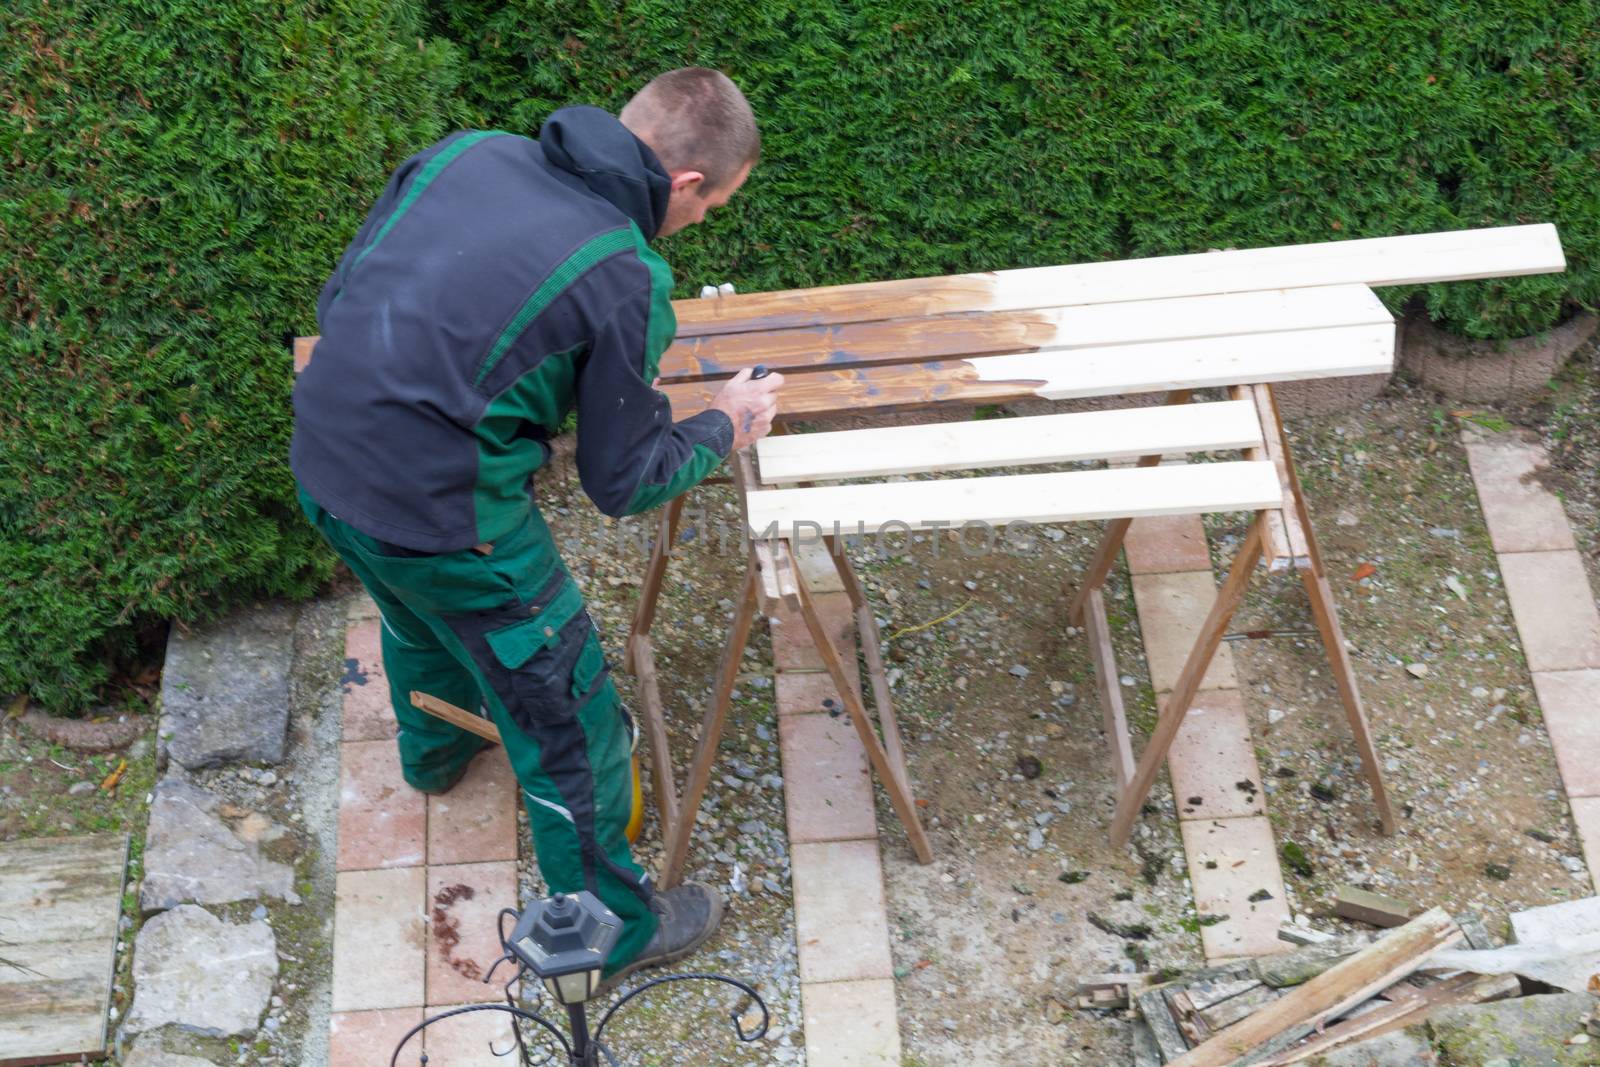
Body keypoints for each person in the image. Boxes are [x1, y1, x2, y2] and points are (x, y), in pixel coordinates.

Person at [290, 67, 783, 986]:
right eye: (712, 207)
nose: (702, 222)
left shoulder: (467, 154)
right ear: (684, 184)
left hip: (322, 459)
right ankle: (619, 928)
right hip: (448, 520)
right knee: (569, 713)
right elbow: (626, 481)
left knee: (415, 617)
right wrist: (725, 420)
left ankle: (434, 757)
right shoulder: (622, 272)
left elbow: (347, 296)